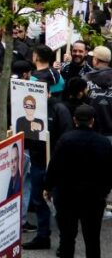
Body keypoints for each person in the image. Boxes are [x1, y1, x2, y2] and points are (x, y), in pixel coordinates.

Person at [45, 104, 112, 258]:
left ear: (74, 120)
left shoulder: (65, 140)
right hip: (94, 198)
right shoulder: (103, 142)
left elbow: (54, 166)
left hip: (67, 196)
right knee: (93, 239)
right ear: (92, 121)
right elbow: (109, 170)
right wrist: (105, 190)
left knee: (67, 238)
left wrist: (48, 187)